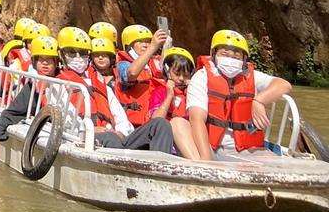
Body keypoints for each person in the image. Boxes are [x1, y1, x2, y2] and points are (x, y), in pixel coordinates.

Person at [56, 27, 174, 152]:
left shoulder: (101, 83)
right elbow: (65, 121)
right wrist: (90, 129)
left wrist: (121, 133)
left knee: (161, 124)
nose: (78, 57)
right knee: (110, 137)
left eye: (83, 53)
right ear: (61, 55)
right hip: (85, 138)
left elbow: (120, 117)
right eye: (72, 53)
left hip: (115, 138)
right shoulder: (57, 85)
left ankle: (157, 166)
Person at [186, 30, 292, 161]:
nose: (230, 59)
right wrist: (206, 161)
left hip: (246, 149)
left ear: (243, 60)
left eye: (236, 57)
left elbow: (284, 85)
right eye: (224, 54)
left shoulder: (249, 76)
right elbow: (197, 119)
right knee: (178, 123)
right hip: (210, 146)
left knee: (277, 165)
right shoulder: (201, 77)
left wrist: (259, 101)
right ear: (214, 55)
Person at [0, 33, 59, 167]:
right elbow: (10, 114)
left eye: (49, 60)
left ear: (56, 63)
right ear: (34, 62)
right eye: (40, 59)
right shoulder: (32, 88)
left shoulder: (67, 81)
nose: (45, 63)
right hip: (51, 132)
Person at [150, 45, 201, 159]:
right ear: (167, 72)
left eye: (186, 75)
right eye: (177, 74)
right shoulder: (159, 92)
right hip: (169, 147)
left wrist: (193, 89)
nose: (182, 78)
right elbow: (155, 122)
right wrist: (169, 96)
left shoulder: (193, 93)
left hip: (192, 144)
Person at [115, 24, 167, 126]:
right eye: (140, 41)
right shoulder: (123, 64)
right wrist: (152, 47)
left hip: (155, 119)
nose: (145, 44)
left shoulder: (155, 63)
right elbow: (132, 73)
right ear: (129, 45)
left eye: (148, 41)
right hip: (134, 125)